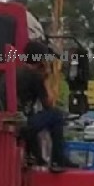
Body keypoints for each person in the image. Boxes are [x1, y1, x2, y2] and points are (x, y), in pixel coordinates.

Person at [16, 40, 77, 172]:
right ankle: (58, 160)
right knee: (56, 115)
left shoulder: (17, 72)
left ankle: (36, 158)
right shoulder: (35, 76)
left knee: (34, 120)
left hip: (14, 120)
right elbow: (49, 104)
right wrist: (46, 77)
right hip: (19, 124)